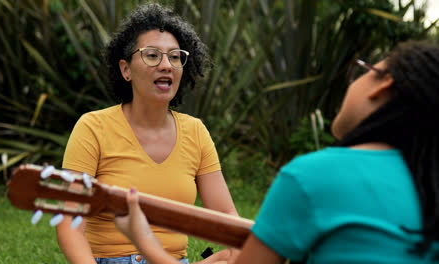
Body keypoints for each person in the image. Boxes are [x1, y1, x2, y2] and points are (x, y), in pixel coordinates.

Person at [113, 41, 439, 263]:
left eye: (364, 71)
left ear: (384, 86)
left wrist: (145, 241)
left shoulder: (314, 177)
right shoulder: (429, 182)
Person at [57, 3, 238, 264]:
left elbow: (226, 216)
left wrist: (244, 248)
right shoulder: (93, 127)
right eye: (152, 55)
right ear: (126, 69)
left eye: (175, 56)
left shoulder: (195, 131)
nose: (166, 65)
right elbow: (69, 225)